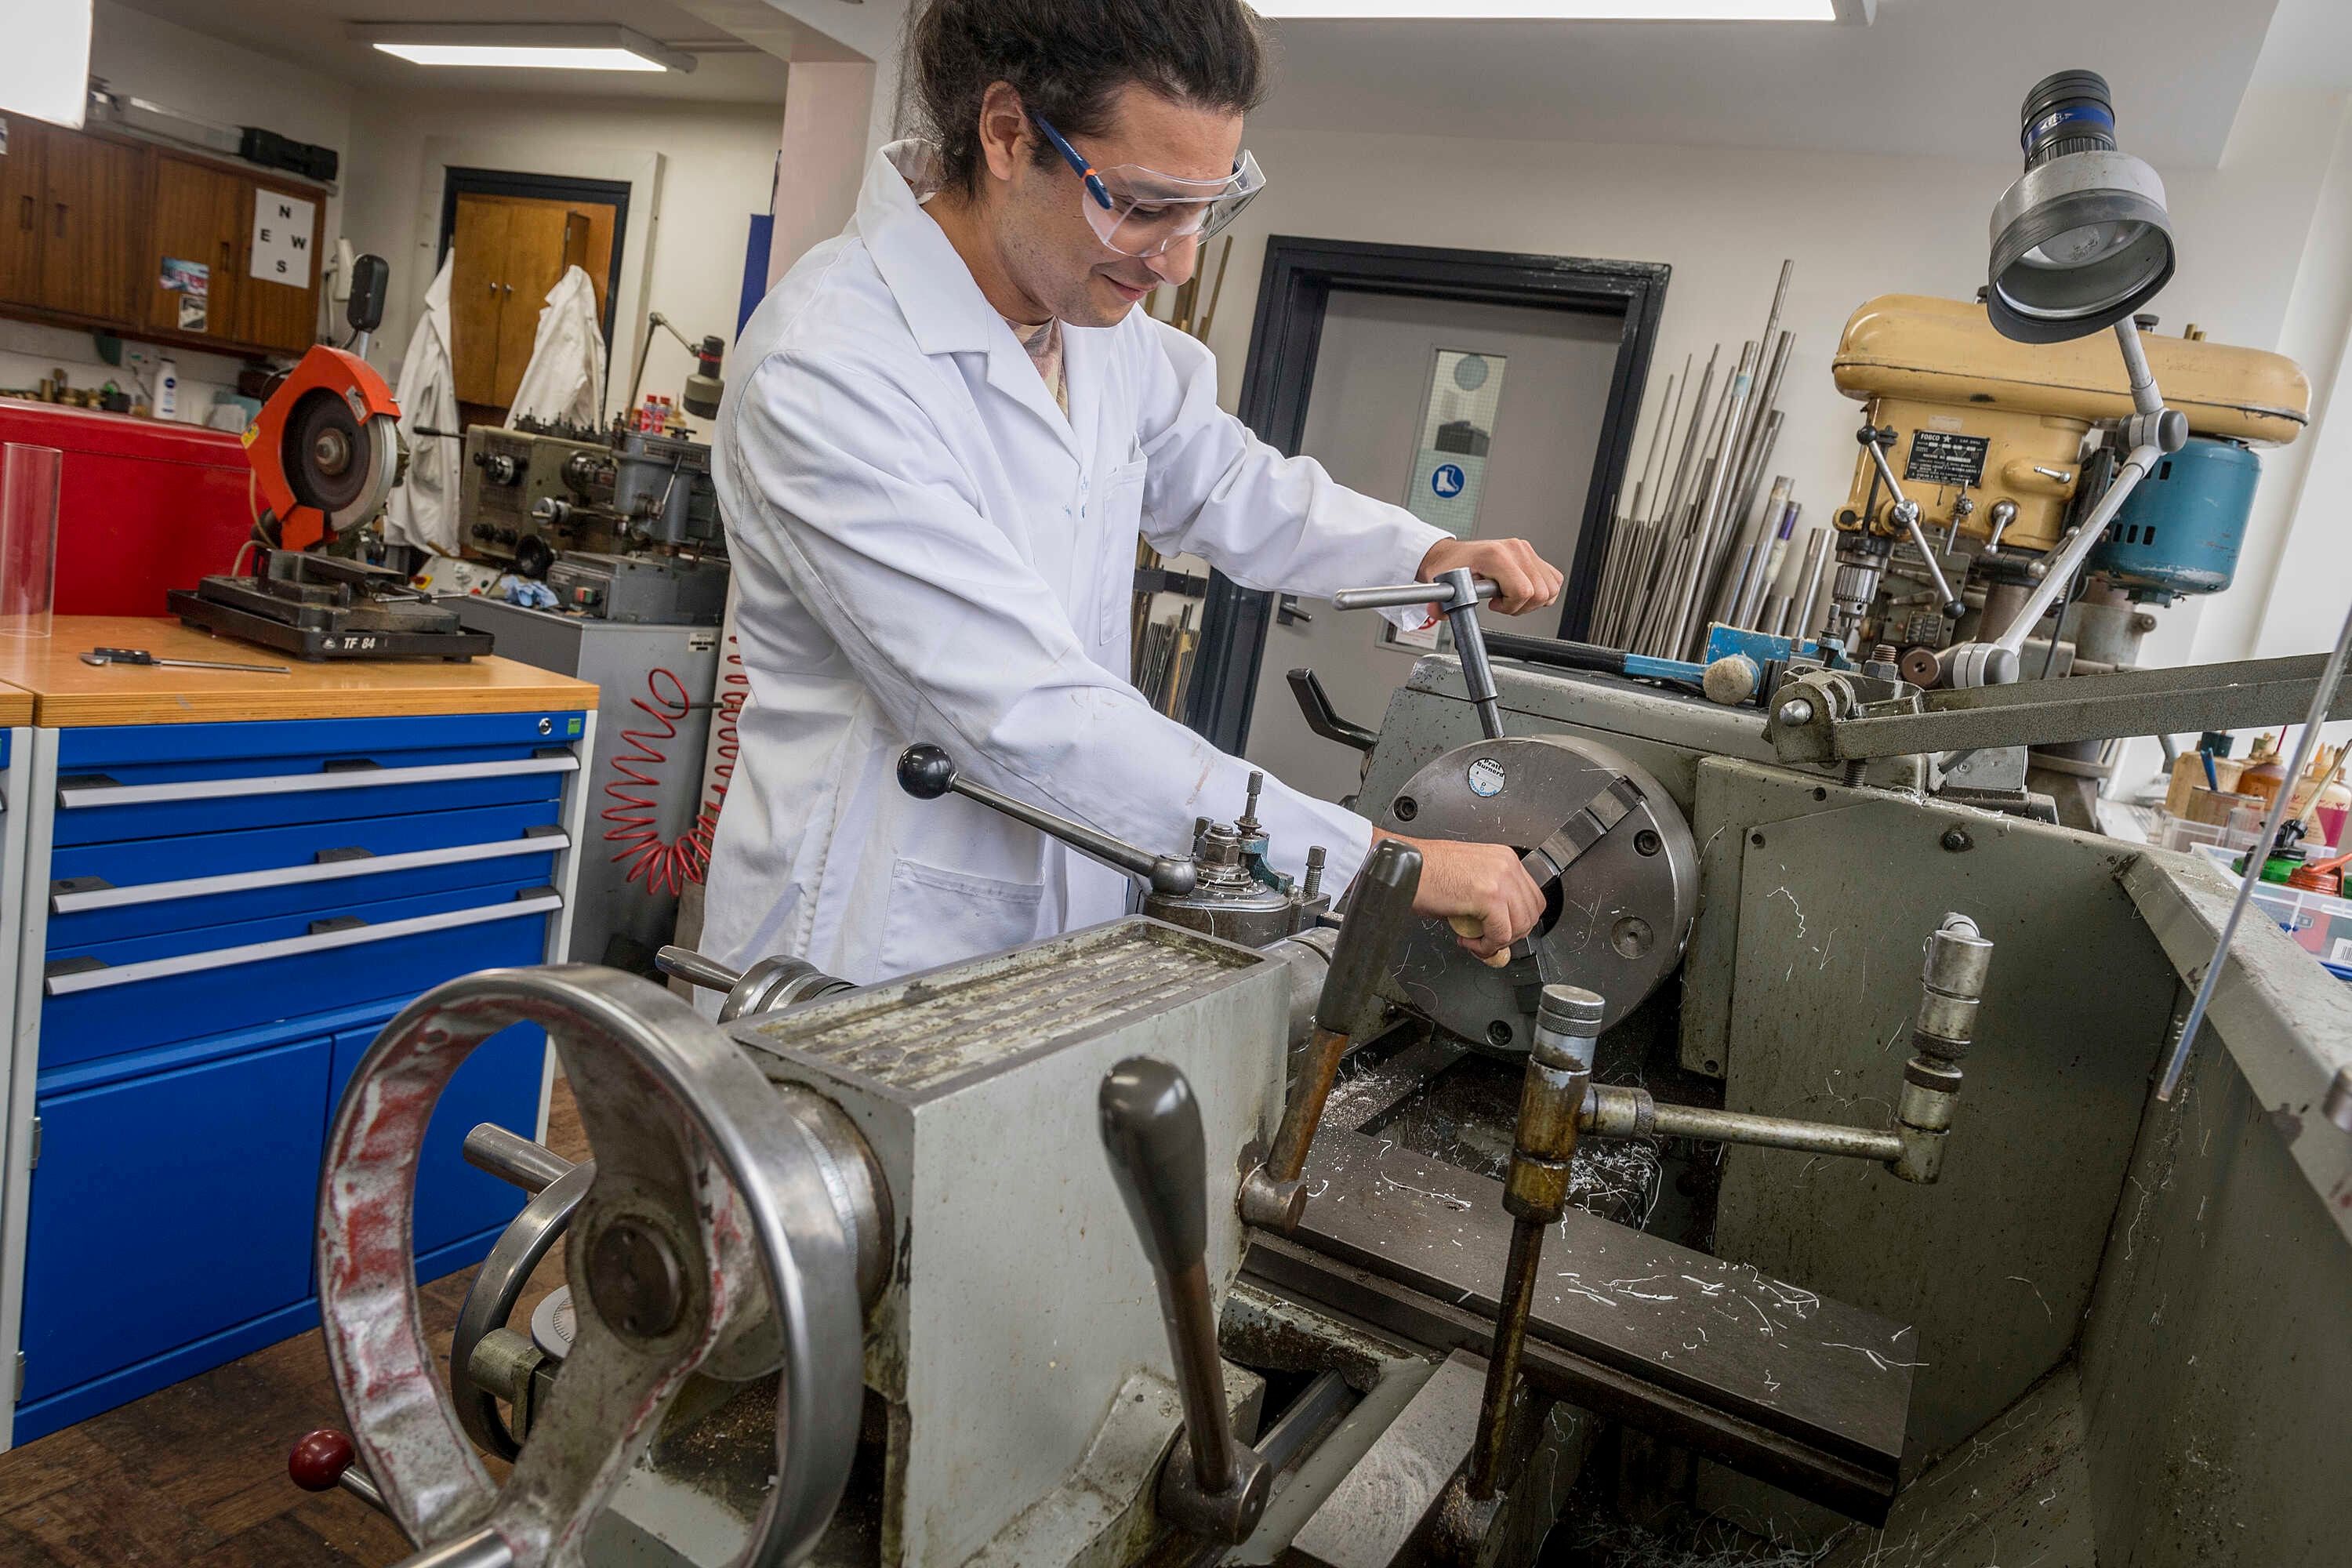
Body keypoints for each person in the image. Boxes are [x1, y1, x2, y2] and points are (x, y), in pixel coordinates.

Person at [706, 0, 1563, 985]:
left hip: (1067, 913)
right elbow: (1027, 714)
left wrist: (1416, 556)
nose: (1178, 258)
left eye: (1206, 207)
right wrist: (1375, 864)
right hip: (865, 938)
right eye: (1144, 204)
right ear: (1007, 133)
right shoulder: (830, 368)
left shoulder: (1096, 328)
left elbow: (1226, 478)